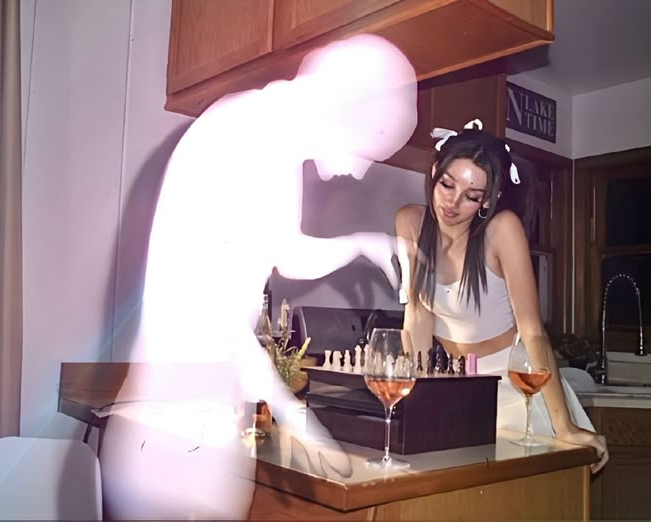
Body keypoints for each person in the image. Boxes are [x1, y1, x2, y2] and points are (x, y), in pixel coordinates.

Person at [99, 34, 417, 520]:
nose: (358, 172)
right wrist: (296, 418)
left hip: (193, 420)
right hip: (173, 433)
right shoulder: (251, 132)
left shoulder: (265, 127)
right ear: (349, 105)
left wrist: (360, 245)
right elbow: (214, 313)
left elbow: (282, 254)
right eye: (371, 147)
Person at [395, 119, 608, 473]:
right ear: (434, 173)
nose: (452, 203)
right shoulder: (409, 223)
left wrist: (565, 424)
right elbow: (417, 316)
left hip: (518, 385)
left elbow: (533, 332)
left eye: (471, 196)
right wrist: (416, 401)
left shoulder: (501, 229)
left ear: (488, 199)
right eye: (446, 185)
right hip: (454, 386)